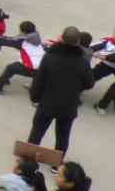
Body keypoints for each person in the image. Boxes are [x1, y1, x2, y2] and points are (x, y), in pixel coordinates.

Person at [27, 27, 94, 159]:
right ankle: (56, 163)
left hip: (47, 103)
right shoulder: (83, 61)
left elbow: (39, 80)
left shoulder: (50, 57)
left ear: (61, 38)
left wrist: (35, 97)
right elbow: (89, 83)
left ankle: (28, 159)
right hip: (68, 105)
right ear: (78, 42)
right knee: (63, 136)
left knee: (37, 132)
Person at [0, 21, 44, 95]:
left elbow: (6, 41)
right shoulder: (35, 37)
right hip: (42, 67)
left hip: (34, 68)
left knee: (10, 68)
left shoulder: (22, 41)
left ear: (23, 31)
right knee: (15, 65)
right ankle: (5, 79)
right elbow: (13, 39)